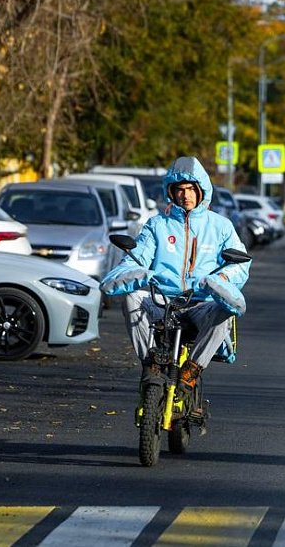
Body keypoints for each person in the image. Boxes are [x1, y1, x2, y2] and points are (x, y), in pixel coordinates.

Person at [99, 156, 250, 395]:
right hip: (162, 301)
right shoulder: (157, 225)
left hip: (201, 304)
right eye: (179, 189)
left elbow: (240, 265)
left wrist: (219, 280)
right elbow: (136, 259)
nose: (185, 195)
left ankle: (193, 368)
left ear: (201, 191)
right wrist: (132, 273)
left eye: (191, 189)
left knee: (225, 309)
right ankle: (152, 363)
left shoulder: (221, 226)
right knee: (131, 299)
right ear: (171, 192)